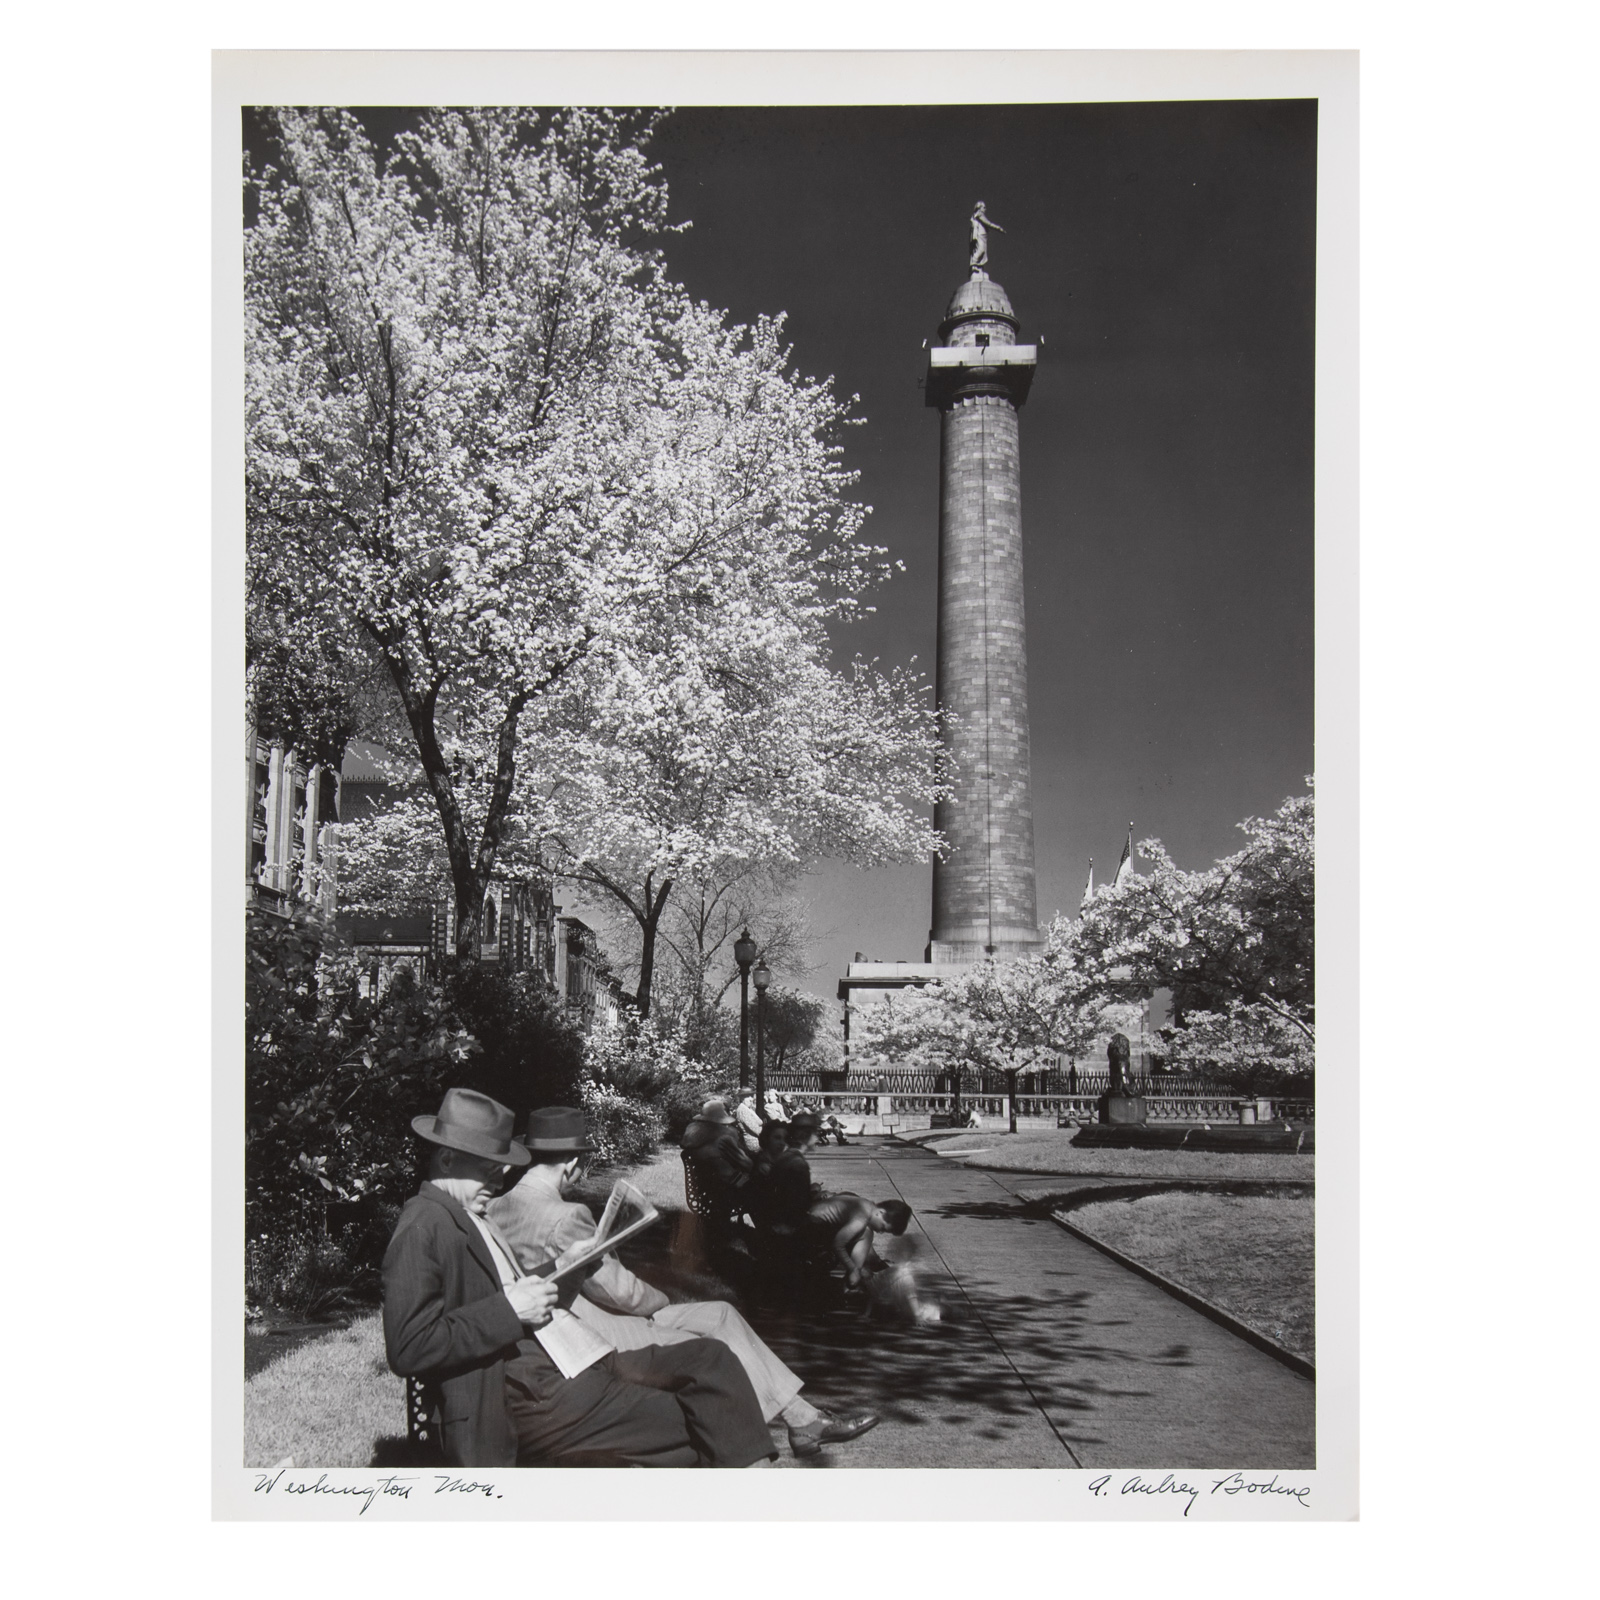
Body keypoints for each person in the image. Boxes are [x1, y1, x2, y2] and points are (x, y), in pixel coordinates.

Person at [382, 1087, 775, 1469]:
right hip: (523, 1393)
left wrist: (560, 1265)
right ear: (447, 1160)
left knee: (711, 1358)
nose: (498, 1181)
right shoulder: (423, 1227)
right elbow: (409, 1347)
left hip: (567, 1358)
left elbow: (500, 1288)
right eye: (487, 1170)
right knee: (697, 1417)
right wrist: (508, 1311)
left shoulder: (466, 1213)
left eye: (498, 1170)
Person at [489, 1106, 879, 1459]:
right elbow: (618, 1291)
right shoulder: (567, 1214)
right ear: (572, 1162)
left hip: (558, 1322)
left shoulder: (496, 1207)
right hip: (594, 1329)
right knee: (709, 1342)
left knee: (721, 1315)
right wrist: (661, 1299)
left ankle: (802, 1419)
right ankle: (797, 1427)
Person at [808, 1194, 914, 1289]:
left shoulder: (866, 1205)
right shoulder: (861, 1217)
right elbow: (838, 1244)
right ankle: (852, 1280)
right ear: (880, 1212)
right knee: (866, 1234)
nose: (880, 1232)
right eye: (882, 1227)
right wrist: (852, 1268)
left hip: (815, 1223)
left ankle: (852, 1280)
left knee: (865, 1234)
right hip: (812, 1226)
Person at [680, 1097, 757, 1218]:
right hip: (727, 1186)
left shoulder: (691, 1133)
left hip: (703, 1187)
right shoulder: (725, 1135)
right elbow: (746, 1163)